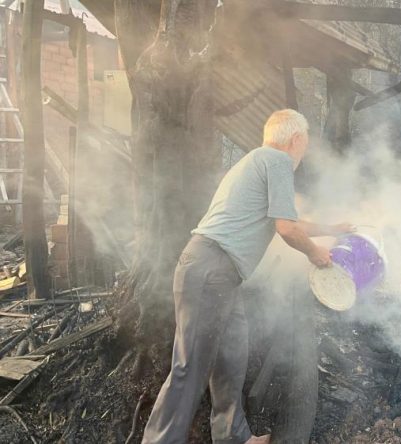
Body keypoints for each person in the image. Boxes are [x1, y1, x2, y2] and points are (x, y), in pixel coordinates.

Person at [142, 109, 353, 444]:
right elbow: (286, 229)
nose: (303, 154)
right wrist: (315, 253)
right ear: (296, 139)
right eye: (305, 145)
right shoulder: (278, 162)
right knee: (189, 369)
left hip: (219, 275)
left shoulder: (257, 161)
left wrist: (333, 229)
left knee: (231, 355)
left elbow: (287, 220)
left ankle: (234, 437)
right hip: (211, 270)